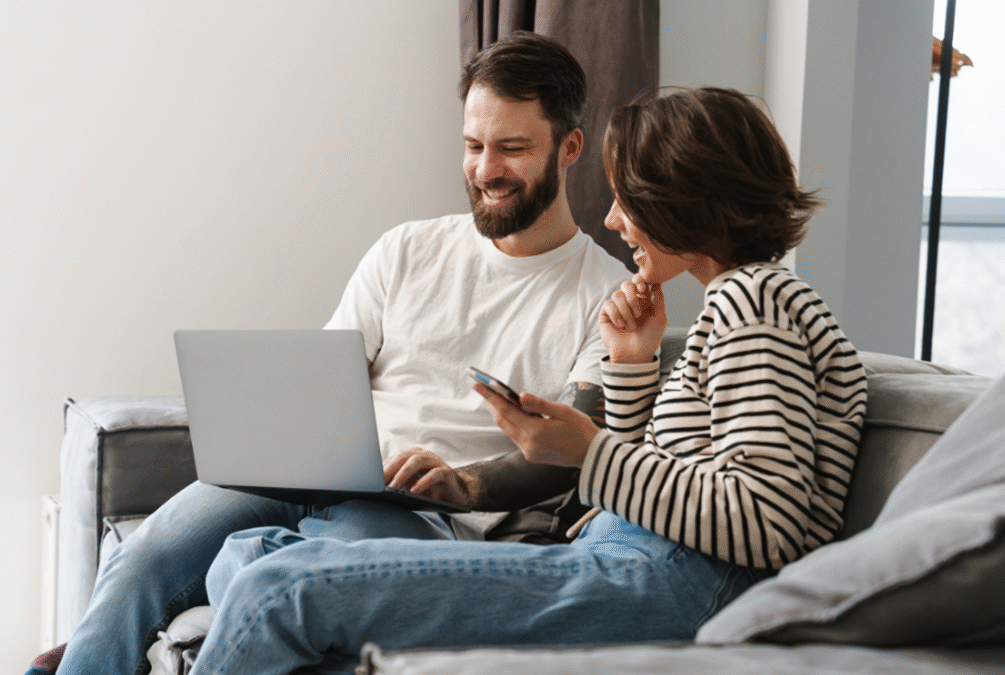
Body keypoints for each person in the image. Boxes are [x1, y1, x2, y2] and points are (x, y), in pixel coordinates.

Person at [179, 86, 868, 675]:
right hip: (629, 559)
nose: (612, 219)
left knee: (275, 587)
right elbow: (657, 486)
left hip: (666, 581)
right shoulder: (748, 301)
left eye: (629, 198)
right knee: (250, 552)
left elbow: (766, 521)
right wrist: (630, 364)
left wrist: (586, 452)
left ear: (682, 198)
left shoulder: (754, 301)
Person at [41, 32, 630, 675]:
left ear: (569, 148)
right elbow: (324, 382)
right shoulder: (407, 249)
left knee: (281, 576)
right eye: (473, 145)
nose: (486, 168)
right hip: (309, 476)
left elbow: (577, 450)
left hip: (425, 514)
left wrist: (466, 483)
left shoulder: (605, 298)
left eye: (512, 148)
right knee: (144, 556)